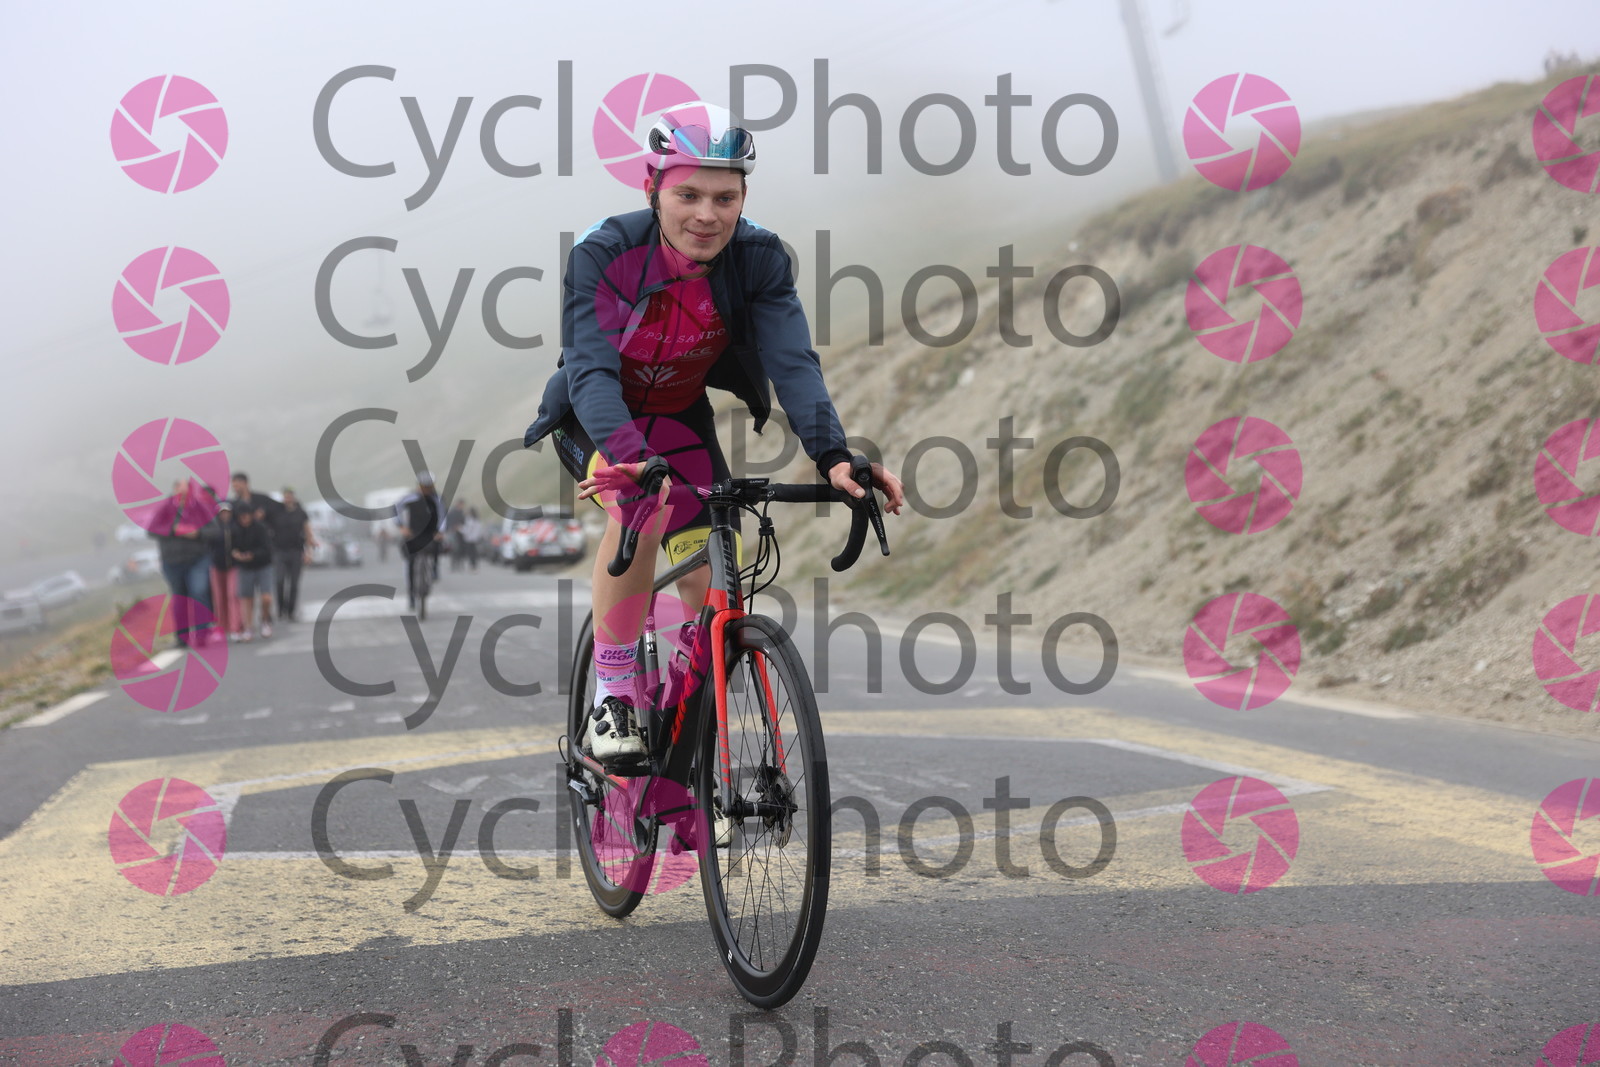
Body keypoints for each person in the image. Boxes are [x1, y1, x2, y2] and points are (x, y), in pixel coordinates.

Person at [523, 107, 904, 767]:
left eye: (725, 198)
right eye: (688, 195)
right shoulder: (605, 251)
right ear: (652, 188)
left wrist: (834, 455)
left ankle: (690, 753)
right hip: (598, 417)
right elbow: (590, 370)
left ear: (743, 198)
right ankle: (614, 693)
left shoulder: (759, 257)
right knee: (641, 508)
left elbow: (793, 362)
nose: (706, 215)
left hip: (680, 420)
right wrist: (629, 457)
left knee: (711, 591)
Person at [147, 478, 221, 647]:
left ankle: (202, 634)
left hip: (198, 559)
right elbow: (151, 530)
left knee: (199, 591)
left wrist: (198, 533)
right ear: (174, 491)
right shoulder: (165, 508)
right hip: (172, 561)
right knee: (179, 598)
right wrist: (173, 530)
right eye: (180, 492)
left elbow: (215, 530)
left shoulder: (200, 507)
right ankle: (182, 638)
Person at [230, 472, 284, 624]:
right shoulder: (234, 504)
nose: (235, 488)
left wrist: (265, 515)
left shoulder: (261, 499)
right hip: (244, 552)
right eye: (233, 485)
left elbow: (280, 508)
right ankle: (249, 624)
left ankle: (265, 616)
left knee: (266, 592)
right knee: (247, 595)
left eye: (237, 484)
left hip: (264, 548)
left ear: (245, 483)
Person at [395, 472, 446, 610]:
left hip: (430, 533)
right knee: (411, 563)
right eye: (424, 487)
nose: (427, 489)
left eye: (429, 486)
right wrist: (401, 526)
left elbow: (443, 516)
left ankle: (434, 569)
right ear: (419, 486)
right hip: (413, 533)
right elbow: (396, 510)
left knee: (438, 546)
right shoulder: (409, 498)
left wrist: (440, 531)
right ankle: (411, 596)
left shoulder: (437, 499)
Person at [230, 501, 274, 640]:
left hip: (263, 565)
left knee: (266, 597)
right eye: (241, 516)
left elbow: (267, 549)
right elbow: (231, 547)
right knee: (247, 598)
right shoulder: (235, 529)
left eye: (246, 516)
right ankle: (248, 627)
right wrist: (236, 554)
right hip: (245, 567)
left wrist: (253, 555)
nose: (244, 519)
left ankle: (265, 620)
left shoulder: (261, 528)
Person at [271, 487, 317, 621]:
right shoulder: (277, 512)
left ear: (293, 497)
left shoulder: (300, 513)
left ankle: (291, 610)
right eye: (285, 496)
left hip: (296, 551)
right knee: (279, 580)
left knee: (294, 583)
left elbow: (308, 532)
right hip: (279, 551)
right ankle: (281, 608)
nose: (288, 499)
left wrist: (309, 552)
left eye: (289, 496)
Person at [208, 499, 239, 640]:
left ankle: (235, 627)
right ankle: (221, 626)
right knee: (219, 598)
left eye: (227, 512)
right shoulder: (214, 528)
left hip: (234, 566)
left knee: (233, 595)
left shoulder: (237, 527)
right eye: (222, 512)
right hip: (217, 566)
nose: (225, 515)